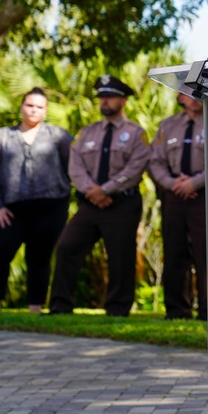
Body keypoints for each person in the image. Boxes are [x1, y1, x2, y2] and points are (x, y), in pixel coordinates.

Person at [48, 75, 151, 317]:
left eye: (110, 97)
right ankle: (60, 307)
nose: (104, 102)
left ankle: (117, 309)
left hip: (122, 204)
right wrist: (92, 191)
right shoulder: (86, 133)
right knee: (67, 247)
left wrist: (106, 190)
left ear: (123, 101)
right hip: (90, 204)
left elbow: (136, 168)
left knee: (120, 257)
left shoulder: (136, 133)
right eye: (102, 97)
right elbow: (75, 167)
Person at [0, 88, 73, 313]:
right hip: (10, 209)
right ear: (21, 107)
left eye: (39, 107)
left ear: (45, 111)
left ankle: (36, 308)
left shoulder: (59, 136)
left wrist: (66, 201)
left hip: (51, 207)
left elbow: (72, 168)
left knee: (39, 259)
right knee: (0, 253)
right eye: (30, 105)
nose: (34, 110)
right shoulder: (2, 136)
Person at [148, 93, 207, 320]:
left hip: (204, 194)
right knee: (174, 253)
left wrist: (194, 182)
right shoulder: (168, 126)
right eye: (188, 93)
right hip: (174, 194)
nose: (194, 98)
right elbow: (155, 161)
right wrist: (173, 184)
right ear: (180, 97)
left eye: (199, 93)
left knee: (206, 254)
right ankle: (177, 310)